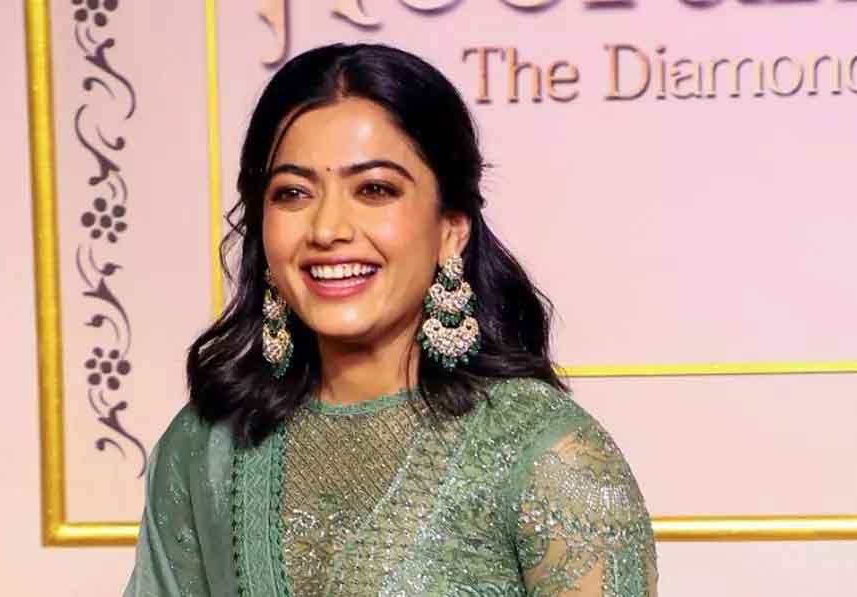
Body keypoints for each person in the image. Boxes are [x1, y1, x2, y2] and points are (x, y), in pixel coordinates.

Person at [124, 43, 658, 596]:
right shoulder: (206, 448)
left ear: (451, 228)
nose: (327, 229)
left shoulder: (549, 456)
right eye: (293, 193)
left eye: (374, 190)